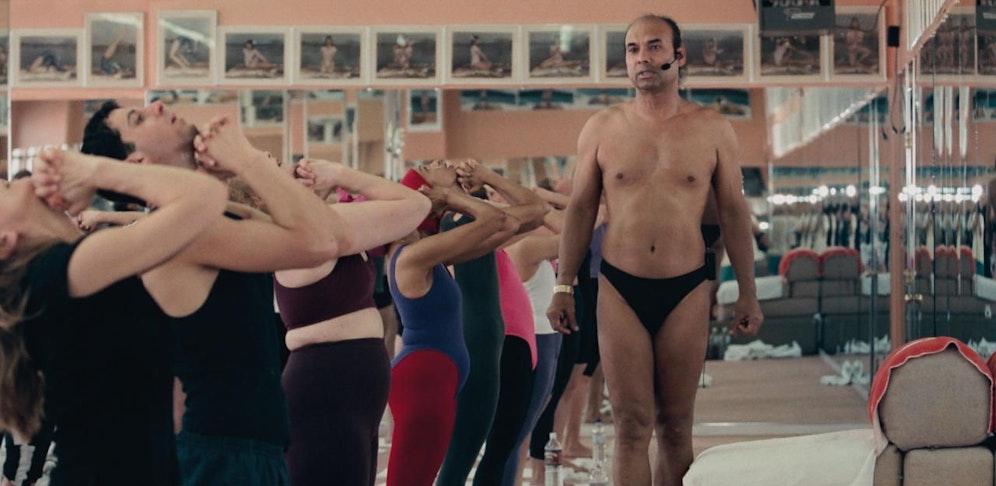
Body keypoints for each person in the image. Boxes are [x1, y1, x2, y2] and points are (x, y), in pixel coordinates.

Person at [81, 100, 352, 485]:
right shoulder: (185, 234)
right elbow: (321, 242)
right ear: (137, 163)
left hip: (241, 451)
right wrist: (246, 159)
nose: (157, 105)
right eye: (138, 119)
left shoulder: (212, 220)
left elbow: (336, 237)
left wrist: (231, 171)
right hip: (222, 456)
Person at [546, 15, 763, 486]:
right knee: (630, 426)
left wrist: (747, 290)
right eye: (632, 49)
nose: (642, 57)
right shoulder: (602, 127)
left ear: (678, 56)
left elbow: (733, 213)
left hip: (687, 287)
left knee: (676, 426)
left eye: (654, 46)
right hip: (619, 287)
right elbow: (580, 210)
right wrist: (563, 284)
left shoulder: (712, 129)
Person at [0, 147, 227, 485]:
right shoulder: (60, 272)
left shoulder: (62, 269)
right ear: (5, 241)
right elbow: (206, 197)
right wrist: (91, 170)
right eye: (6, 188)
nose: (17, 181)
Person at [273, 158, 430, 486]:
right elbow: (416, 205)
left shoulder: (322, 222)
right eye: (279, 166)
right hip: (327, 384)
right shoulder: (310, 228)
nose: (300, 167)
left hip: (349, 385)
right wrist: (341, 175)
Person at [385, 164, 519, 486]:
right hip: (423, 379)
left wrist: (450, 195)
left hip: (436, 376)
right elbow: (494, 219)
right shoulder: (412, 255)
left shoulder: (428, 255)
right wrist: (451, 196)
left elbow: (508, 222)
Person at [436, 160, 547, 486]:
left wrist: (483, 181)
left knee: (496, 450)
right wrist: (487, 178)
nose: (443, 162)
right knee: (470, 455)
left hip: (496, 340)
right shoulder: (459, 224)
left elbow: (535, 211)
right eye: (431, 166)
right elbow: (536, 209)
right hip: (487, 344)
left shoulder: (471, 222)